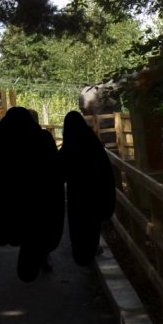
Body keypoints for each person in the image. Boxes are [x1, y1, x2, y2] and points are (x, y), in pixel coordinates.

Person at [0, 107, 64, 282]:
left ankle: (35, 255)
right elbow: (55, 169)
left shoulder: (6, 142)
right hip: (41, 198)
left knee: (25, 228)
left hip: (18, 199)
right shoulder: (43, 138)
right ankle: (42, 255)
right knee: (39, 228)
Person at [59, 110, 116, 266]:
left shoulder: (69, 146)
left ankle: (81, 254)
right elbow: (106, 172)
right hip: (96, 194)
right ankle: (92, 248)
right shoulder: (93, 143)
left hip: (77, 196)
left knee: (79, 226)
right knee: (92, 224)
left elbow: (60, 171)